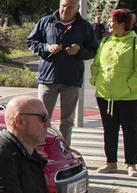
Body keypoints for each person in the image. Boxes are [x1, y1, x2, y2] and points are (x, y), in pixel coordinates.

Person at [27, 0, 99, 145]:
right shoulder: (46, 22)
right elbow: (31, 42)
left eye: (70, 7)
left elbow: (93, 50)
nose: (65, 10)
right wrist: (47, 48)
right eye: (63, 6)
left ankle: (64, 149)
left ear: (77, 8)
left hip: (71, 80)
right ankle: (40, 149)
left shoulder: (84, 26)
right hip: (48, 79)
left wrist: (79, 51)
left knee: (67, 120)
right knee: (42, 118)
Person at [90, 9, 137, 177]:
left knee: (130, 130)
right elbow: (96, 64)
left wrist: (129, 86)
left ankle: (131, 164)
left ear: (123, 24)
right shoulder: (106, 41)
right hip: (105, 95)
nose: (109, 24)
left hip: (130, 97)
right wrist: (96, 80)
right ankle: (111, 163)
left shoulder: (136, 42)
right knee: (109, 129)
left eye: (112, 21)